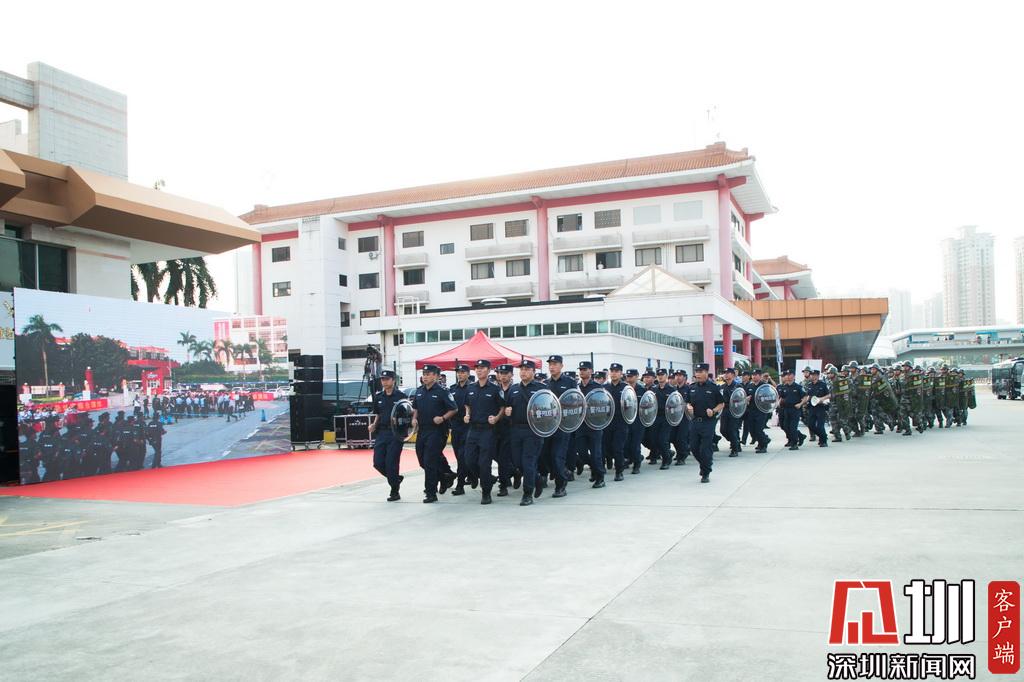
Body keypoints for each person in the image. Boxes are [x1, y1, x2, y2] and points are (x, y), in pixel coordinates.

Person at [411, 364, 458, 503]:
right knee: (422, 460)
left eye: (428, 374)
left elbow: (454, 409)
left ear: (436, 376)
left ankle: (431, 492)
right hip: (422, 430)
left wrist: (442, 418)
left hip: (437, 431)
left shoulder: (442, 391)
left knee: (430, 461)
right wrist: (414, 418)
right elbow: (415, 408)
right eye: (424, 374)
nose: (425, 376)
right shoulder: (419, 391)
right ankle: (444, 476)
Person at [503, 360, 547, 505]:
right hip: (516, 430)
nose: (523, 372)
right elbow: (507, 407)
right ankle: (537, 479)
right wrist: (507, 412)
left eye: (527, 369)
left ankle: (527, 494)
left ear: (533, 372)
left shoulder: (541, 388)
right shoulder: (513, 389)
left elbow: (550, 408)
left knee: (528, 462)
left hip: (533, 430)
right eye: (521, 369)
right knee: (518, 462)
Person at [462, 359, 505, 504]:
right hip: (473, 429)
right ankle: (487, 478)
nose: (479, 370)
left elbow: (503, 407)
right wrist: (467, 414)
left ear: (489, 370)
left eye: (482, 368)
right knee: (469, 460)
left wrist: (497, 418)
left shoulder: (495, 389)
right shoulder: (470, 388)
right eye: (477, 368)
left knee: (484, 463)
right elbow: (467, 405)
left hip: (488, 430)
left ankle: (486, 492)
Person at [541, 355, 576, 497]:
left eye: (555, 364)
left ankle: (560, 486)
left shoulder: (570, 382)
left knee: (557, 456)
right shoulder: (545, 384)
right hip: (548, 426)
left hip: (563, 426)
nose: (552, 367)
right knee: (545, 456)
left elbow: (576, 401)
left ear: (561, 366)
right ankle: (563, 471)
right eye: (550, 364)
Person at [368, 370, 405, 502]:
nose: (384, 382)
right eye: (382, 379)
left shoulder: (401, 396)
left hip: (396, 433)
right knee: (378, 463)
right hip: (382, 432)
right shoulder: (379, 397)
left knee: (391, 463)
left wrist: (398, 420)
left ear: (393, 380)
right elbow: (378, 413)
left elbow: (408, 414)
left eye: (387, 379)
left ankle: (394, 490)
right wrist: (373, 424)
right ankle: (395, 478)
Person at [685, 363, 724, 483]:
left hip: (708, 422)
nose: (698, 374)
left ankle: (705, 472)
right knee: (693, 447)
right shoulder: (692, 387)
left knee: (705, 448)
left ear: (706, 373)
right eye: (696, 372)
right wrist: (688, 406)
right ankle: (705, 464)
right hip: (694, 421)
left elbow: (721, 404)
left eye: (701, 372)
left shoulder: (713, 387)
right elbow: (687, 402)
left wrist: (713, 411)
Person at [576, 361, 607, 488]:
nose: (582, 371)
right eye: (581, 369)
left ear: (591, 371)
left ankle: (600, 477)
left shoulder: (597, 387)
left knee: (596, 454)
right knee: (582, 453)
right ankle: (594, 468)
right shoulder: (576, 388)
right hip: (580, 425)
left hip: (594, 425)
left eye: (585, 369)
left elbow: (604, 403)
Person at [602, 363, 629, 481]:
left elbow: (631, 405)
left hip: (621, 422)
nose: (613, 373)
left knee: (618, 448)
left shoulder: (626, 388)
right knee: (607, 448)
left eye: (616, 371)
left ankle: (619, 471)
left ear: (621, 373)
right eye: (612, 371)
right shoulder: (604, 388)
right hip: (607, 422)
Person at [449, 364, 473, 496]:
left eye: (463, 372)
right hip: (455, 426)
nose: (460, 374)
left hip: (468, 426)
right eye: (458, 372)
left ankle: (460, 484)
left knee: (463, 455)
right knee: (458, 455)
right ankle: (472, 475)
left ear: (468, 374)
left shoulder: (472, 388)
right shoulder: (453, 389)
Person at [776, 369, 806, 450]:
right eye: (787, 375)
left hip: (795, 409)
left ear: (794, 376)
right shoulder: (784, 387)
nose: (788, 376)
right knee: (786, 426)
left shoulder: (798, 387)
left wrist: (800, 404)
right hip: (786, 409)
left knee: (793, 427)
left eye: (790, 375)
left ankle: (794, 443)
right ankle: (797, 437)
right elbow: (780, 397)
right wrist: (778, 403)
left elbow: (805, 397)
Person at [624, 369, 646, 474]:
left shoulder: (642, 390)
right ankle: (629, 459)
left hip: (638, 421)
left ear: (637, 376)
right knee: (626, 443)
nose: (629, 378)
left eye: (631, 376)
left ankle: (637, 464)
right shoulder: (624, 389)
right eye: (628, 376)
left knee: (635, 444)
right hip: (626, 420)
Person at [718, 367, 743, 456]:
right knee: (723, 430)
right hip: (724, 410)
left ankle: (734, 449)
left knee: (732, 430)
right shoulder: (722, 387)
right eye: (725, 373)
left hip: (734, 410)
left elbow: (741, 398)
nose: (725, 375)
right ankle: (735, 441)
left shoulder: (737, 386)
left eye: (727, 373)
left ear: (732, 375)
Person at [805, 369, 831, 447]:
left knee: (820, 426)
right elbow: (808, 395)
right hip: (812, 407)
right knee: (810, 425)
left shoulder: (822, 384)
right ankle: (823, 436)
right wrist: (806, 401)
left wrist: (821, 399)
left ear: (818, 376)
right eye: (812, 375)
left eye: (814, 375)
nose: (813, 376)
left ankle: (823, 441)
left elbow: (829, 395)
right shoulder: (809, 385)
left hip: (820, 407)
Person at [670, 370, 691, 464]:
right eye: (676, 376)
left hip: (685, 417)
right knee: (673, 437)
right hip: (675, 416)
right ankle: (681, 451)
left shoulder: (689, 389)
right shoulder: (673, 390)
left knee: (681, 437)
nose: (678, 377)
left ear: (684, 377)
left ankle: (682, 456)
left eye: (680, 375)